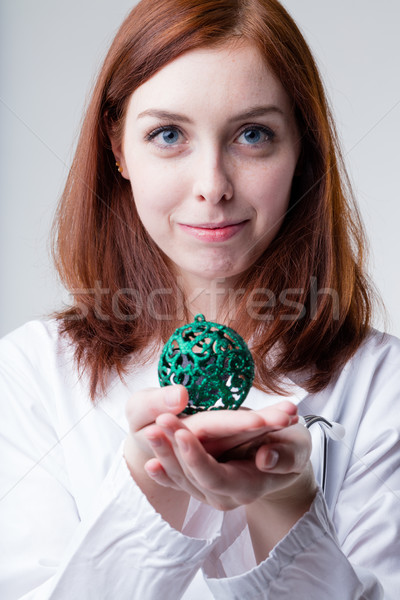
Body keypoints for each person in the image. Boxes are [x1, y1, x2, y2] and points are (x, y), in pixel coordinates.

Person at [1, 0, 399, 598]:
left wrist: (286, 506)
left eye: (253, 134)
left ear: (300, 150)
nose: (212, 185)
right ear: (117, 147)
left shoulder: (383, 385)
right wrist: (149, 486)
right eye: (168, 134)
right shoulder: (27, 375)